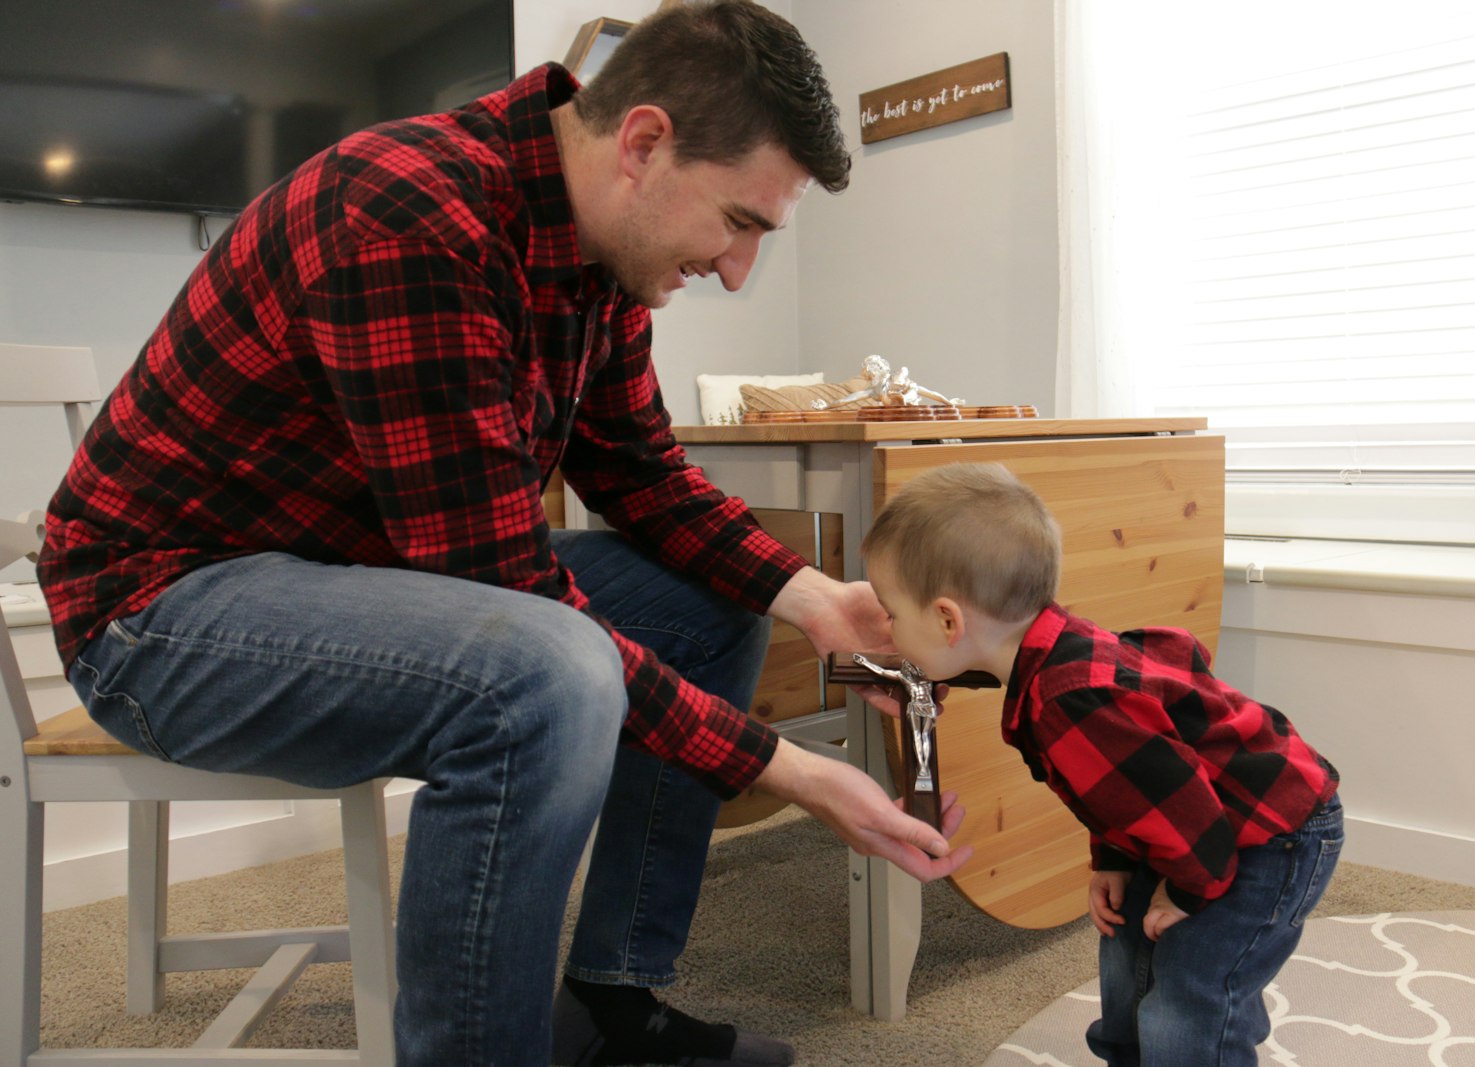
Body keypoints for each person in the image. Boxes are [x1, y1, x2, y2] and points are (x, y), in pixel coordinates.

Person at [36, 4, 971, 1065]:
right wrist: (786, 768)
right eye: (739, 221)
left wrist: (810, 594)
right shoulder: (405, 215)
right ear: (644, 143)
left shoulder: (601, 255)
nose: (737, 267)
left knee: (706, 604)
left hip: (353, 567)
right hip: (158, 612)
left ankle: (616, 1000)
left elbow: (641, 474)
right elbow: (497, 582)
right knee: (543, 668)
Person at [858, 463, 1343, 1066]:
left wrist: (1190, 893)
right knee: (1126, 961)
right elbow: (1129, 790)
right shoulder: (1048, 653)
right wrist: (1115, 857)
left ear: (949, 620)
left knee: (1191, 993)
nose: (886, 629)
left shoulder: (1071, 703)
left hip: (1268, 834)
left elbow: (1189, 816)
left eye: (890, 613)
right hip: (1192, 824)